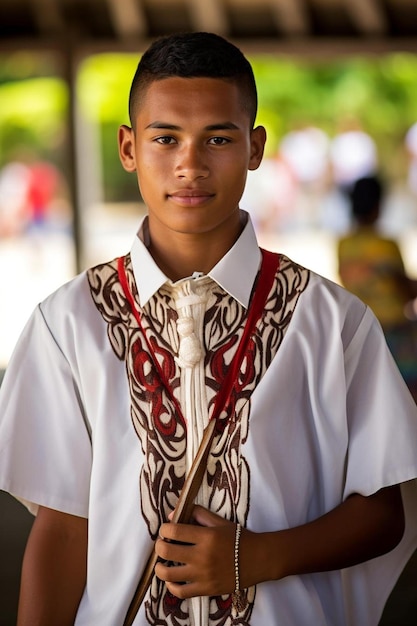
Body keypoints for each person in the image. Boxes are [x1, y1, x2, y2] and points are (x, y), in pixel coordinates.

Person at [0, 32, 417, 626]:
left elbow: (383, 513)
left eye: (217, 139)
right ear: (127, 147)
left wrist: (258, 556)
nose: (189, 165)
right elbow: (63, 530)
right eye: (164, 138)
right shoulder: (67, 325)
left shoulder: (330, 322)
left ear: (254, 147)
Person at [338, 175, 417, 401]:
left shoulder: (344, 244)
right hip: (394, 332)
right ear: (378, 205)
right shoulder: (385, 246)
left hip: (361, 331)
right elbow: (407, 294)